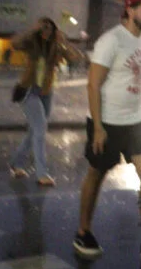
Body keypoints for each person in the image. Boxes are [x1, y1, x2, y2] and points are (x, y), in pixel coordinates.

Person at [73, 0, 141, 261]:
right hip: (107, 121)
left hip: (135, 120)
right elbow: (93, 83)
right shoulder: (111, 40)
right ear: (129, 10)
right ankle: (83, 231)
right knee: (96, 174)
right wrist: (98, 127)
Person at [8, 18, 84, 187]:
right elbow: (15, 43)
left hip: (46, 93)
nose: (46, 30)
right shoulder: (31, 43)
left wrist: (63, 41)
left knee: (34, 131)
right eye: (43, 27)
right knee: (40, 129)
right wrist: (32, 29)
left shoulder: (56, 46)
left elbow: (77, 57)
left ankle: (17, 163)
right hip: (28, 91)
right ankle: (41, 173)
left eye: (49, 27)